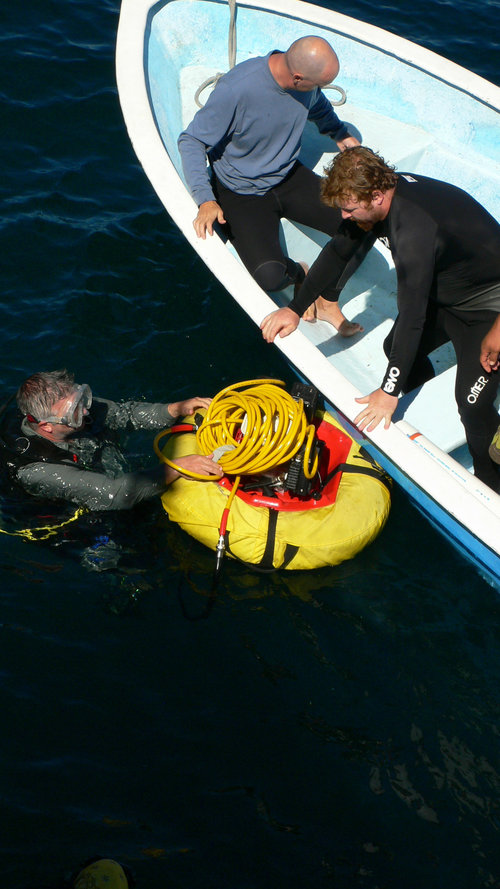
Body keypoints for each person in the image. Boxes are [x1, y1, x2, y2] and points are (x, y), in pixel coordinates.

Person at [261, 146, 500, 492]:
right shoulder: (375, 203)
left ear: (376, 196)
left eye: (348, 208)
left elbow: (413, 315)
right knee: (395, 348)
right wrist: (294, 308)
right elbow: (337, 252)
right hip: (449, 297)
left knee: (472, 402)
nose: (344, 216)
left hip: (490, 308)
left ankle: (489, 484)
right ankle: (420, 419)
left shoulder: (414, 229)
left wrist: (389, 392)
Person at [178, 35, 373, 336]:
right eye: (315, 83)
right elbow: (192, 141)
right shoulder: (237, 88)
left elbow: (317, 103)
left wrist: (338, 132)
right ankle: (300, 275)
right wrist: (205, 200)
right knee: (269, 276)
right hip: (240, 191)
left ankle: (327, 299)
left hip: (288, 177)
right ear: (297, 77)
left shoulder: (304, 86)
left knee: (364, 222)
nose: (317, 90)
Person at [4, 370, 222, 511]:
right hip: (75, 518)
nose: (87, 412)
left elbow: (124, 415)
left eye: (83, 399)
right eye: (75, 412)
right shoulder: (36, 470)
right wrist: (177, 468)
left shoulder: (73, 409)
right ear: (46, 426)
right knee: (105, 549)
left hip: (100, 468)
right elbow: (116, 494)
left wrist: (174, 409)